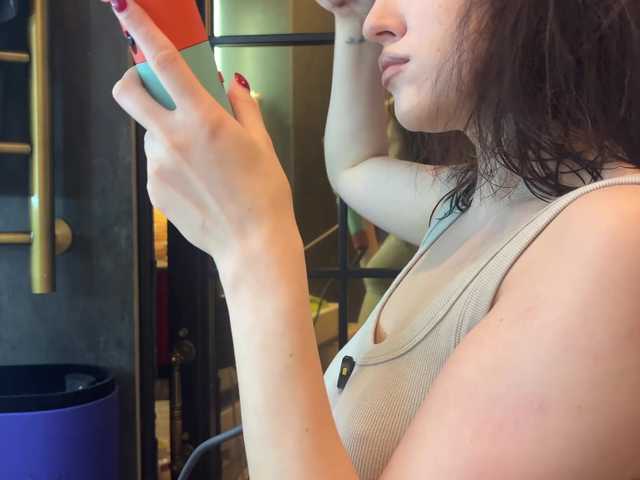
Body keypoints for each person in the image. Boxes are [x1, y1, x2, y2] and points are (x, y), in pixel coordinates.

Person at [104, 0, 640, 478]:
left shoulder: (614, 237)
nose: (377, 23)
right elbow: (354, 166)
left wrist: (252, 248)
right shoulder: (483, 202)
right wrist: (348, 15)